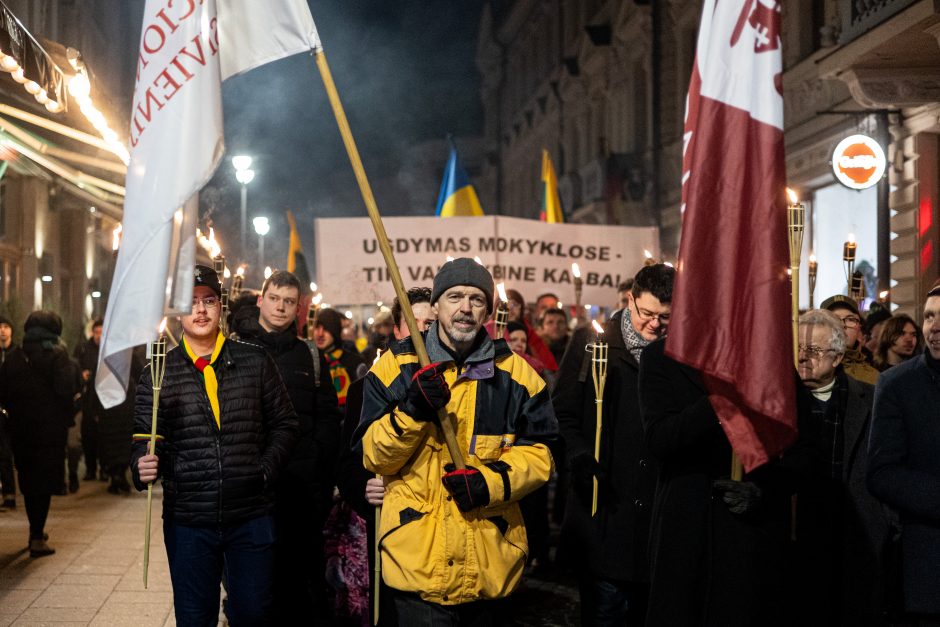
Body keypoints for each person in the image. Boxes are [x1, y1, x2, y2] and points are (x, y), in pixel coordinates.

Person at [356, 258, 557, 624]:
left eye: (477, 299)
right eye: (455, 297)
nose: (466, 308)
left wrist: (488, 483)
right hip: (418, 566)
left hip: (491, 564)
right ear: (436, 305)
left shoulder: (518, 376)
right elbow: (373, 456)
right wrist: (412, 411)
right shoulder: (393, 368)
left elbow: (542, 455)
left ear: (488, 310)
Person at [132, 264, 299, 626]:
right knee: (195, 617)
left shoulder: (254, 360)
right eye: (190, 303)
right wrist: (140, 465)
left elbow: (286, 424)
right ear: (176, 312)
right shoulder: (158, 373)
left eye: (208, 300)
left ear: (220, 306)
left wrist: (265, 471)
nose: (201, 310)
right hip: (190, 518)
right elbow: (145, 439)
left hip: (251, 514)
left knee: (253, 613)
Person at [638, 335, 812, 625]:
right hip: (685, 529)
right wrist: (718, 403)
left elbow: (804, 448)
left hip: (750, 535)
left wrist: (764, 491)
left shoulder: (767, 358)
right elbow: (659, 439)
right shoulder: (660, 355)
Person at [555, 263, 674, 626]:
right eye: (647, 313)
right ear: (630, 299)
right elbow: (562, 412)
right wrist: (577, 453)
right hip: (603, 502)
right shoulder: (592, 343)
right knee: (605, 612)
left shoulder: (678, 352)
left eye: (665, 317)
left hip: (656, 509)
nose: (654, 324)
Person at [229, 269, 343, 623]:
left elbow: (325, 417)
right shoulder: (235, 348)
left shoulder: (309, 355)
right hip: (251, 487)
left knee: (298, 583)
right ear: (261, 300)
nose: (280, 307)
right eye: (275, 299)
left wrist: (319, 477)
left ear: (298, 309)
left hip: (300, 489)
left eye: (289, 302)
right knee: (252, 583)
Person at [336, 286, 436, 627]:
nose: (422, 330)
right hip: (388, 528)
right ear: (397, 329)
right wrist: (364, 487)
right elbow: (348, 460)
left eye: (430, 322)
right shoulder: (367, 388)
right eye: (412, 321)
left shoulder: (453, 386)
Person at [794, 309, 892, 623]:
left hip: (857, 538)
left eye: (813, 351)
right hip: (797, 537)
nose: (802, 358)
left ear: (837, 358)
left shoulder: (873, 400)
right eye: (798, 349)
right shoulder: (779, 402)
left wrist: (888, 524)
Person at [867, 285, 940, 620]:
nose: (934, 327)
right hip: (927, 563)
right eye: (929, 316)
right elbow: (882, 472)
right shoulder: (897, 384)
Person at [0, 311, 80, 557]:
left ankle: (35, 530)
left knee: (28, 480)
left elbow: (3, 392)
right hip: (49, 431)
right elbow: (67, 389)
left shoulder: (15, 355)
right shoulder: (57, 354)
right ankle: (36, 534)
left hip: (21, 430)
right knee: (43, 483)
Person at [314, 307, 368, 413]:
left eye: (326, 329)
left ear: (335, 332)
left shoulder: (355, 363)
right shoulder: (309, 361)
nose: (320, 334)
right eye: (317, 327)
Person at [821, 295, 879, 385]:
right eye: (834, 319)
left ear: (859, 327)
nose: (843, 325)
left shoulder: (874, 377)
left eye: (850, 319)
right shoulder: (810, 369)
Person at [74, 318, 103, 490]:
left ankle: (104, 468)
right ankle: (90, 468)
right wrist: (81, 375)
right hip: (87, 397)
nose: (99, 336)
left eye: (102, 332)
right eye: (97, 332)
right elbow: (74, 366)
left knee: (102, 435)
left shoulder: (108, 348)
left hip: (103, 396)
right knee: (88, 434)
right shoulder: (83, 348)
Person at [0, 315, 17, 509]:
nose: (2, 330)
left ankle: (10, 492)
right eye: (0, 327)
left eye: (6, 326)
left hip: (13, 409)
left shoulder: (17, 354)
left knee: (7, 452)